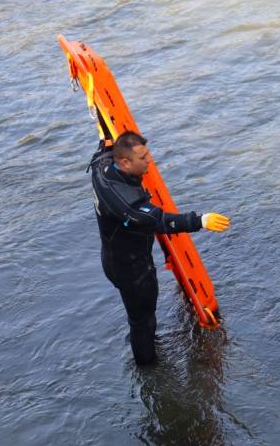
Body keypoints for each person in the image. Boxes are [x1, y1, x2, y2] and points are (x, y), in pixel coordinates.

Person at [90, 131, 231, 365]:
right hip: (131, 269)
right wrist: (200, 220)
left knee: (140, 316)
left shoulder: (102, 166)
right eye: (143, 157)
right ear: (125, 162)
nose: (149, 161)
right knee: (142, 321)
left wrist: (105, 133)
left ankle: (146, 346)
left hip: (117, 256)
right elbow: (160, 221)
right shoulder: (126, 204)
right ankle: (148, 368)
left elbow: (103, 150)